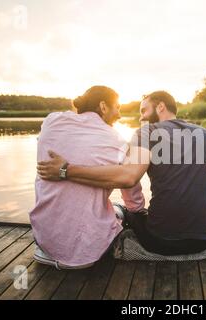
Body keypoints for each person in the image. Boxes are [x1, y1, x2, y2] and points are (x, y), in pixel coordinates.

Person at [37, 91, 206, 256]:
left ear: (161, 107)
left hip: (160, 241)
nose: (141, 118)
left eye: (144, 111)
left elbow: (129, 177)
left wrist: (65, 170)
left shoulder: (148, 132)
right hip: (204, 241)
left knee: (128, 212)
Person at [30, 85, 145, 269]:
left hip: (45, 240)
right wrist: (137, 210)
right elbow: (133, 198)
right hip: (88, 250)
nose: (119, 114)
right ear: (103, 106)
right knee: (121, 209)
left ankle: (52, 248)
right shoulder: (116, 141)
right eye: (117, 107)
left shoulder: (51, 122)